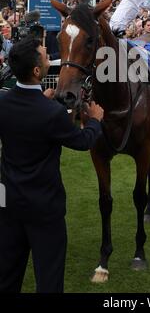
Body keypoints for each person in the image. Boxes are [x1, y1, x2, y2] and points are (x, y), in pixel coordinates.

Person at [0, 36, 104, 293]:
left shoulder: (4, 103)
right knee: (49, 279)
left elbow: (27, 118)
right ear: (37, 70)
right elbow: (82, 141)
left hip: (8, 204)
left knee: (7, 275)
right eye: (46, 56)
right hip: (45, 208)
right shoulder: (52, 113)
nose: (50, 58)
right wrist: (95, 120)